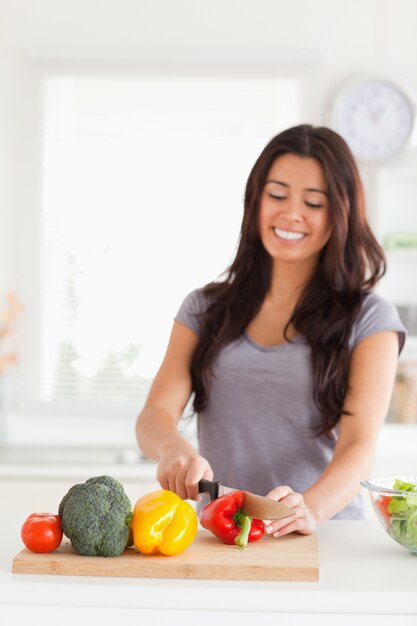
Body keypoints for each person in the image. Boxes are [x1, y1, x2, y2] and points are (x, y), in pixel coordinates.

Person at [136, 124, 406, 537]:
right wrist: (171, 447)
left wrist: (308, 508)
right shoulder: (203, 308)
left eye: (313, 202)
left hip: (325, 536)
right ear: (255, 201)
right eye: (277, 195)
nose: (291, 213)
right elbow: (155, 413)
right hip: (221, 534)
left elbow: (358, 446)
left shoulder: (370, 319)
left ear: (340, 214)